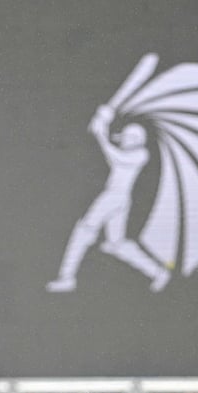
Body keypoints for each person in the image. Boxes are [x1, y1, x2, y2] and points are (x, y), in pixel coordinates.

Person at [47, 103, 170, 293]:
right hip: (118, 199)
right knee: (116, 244)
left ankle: (67, 277)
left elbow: (116, 157)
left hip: (113, 197)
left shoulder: (140, 154)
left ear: (137, 139)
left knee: (84, 231)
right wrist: (102, 127)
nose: (123, 140)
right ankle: (158, 273)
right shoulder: (128, 151)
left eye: (128, 137)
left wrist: (100, 133)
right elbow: (113, 153)